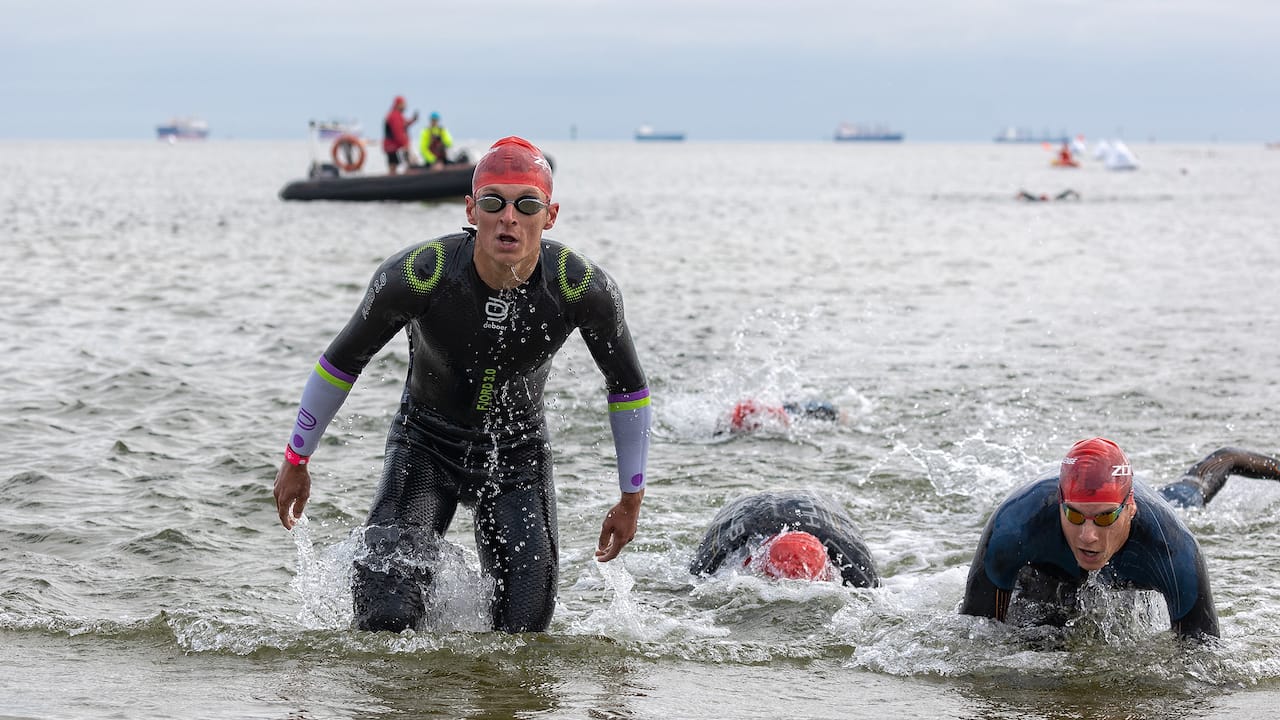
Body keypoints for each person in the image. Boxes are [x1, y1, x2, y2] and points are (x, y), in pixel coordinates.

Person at [272, 136, 652, 634]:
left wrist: (631, 500)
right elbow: (342, 361)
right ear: (472, 209)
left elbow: (628, 386)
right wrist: (296, 459)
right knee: (385, 616)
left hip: (515, 455)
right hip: (426, 445)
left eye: (526, 204)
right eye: (494, 202)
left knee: (525, 633)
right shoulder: (419, 275)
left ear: (550, 215)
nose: (509, 217)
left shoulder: (580, 286)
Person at [960, 438, 1280, 640]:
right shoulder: (1014, 526)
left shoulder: (1172, 548)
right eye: (1074, 515)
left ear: (1130, 507)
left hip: (1157, 510)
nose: (1088, 535)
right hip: (1044, 577)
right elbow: (975, 636)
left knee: (1189, 491)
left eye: (1104, 517)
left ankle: (1231, 456)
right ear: (1059, 505)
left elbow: (1203, 662)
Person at [690, 490, 879, 587]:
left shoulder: (852, 559)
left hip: (821, 504)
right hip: (747, 507)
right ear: (754, 561)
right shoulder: (732, 537)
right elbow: (694, 581)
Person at [718, 398, 846, 435]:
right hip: (787, 409)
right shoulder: (740, 416)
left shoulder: (806, 414)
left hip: (795, 411)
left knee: (836, 414)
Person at [381, 95, 419, 175]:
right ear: (398, 104)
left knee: (394, 165)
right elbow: (398, 132)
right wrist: (405, 145)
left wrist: (413, 120)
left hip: (393, 145)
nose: (405, 106)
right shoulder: (395, 116)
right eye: (403, 104)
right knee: (397, 164)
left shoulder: (396, 114)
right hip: (393, 145)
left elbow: (404, 124)